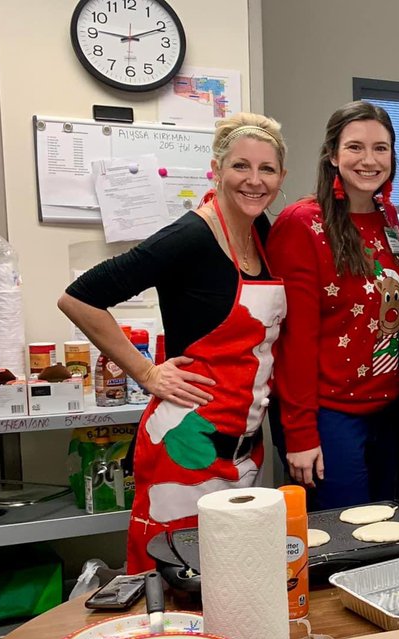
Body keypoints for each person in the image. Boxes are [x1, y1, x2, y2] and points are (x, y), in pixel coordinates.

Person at [59, 113, 287, 573]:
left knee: (230, 578)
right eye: (241, 166)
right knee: (176, 578)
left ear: (281, 177)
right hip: (185, 449)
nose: (254, 181)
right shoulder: (190, 236)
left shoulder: (263, 233)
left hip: (242, 446)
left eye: (267, 169)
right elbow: (79, 299)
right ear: (217, 169)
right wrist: (145, 372)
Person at [267, 102, 399, 508]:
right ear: (332, 154)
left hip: (387, 407)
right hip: (331, 415)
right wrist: (300, 434)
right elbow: (293, 340)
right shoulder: (301, 224)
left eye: (381, 148)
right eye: (355, 148)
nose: (369, 160)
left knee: (390, 535)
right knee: (348, 540)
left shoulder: (387, 215)